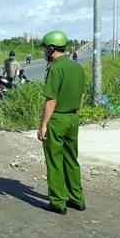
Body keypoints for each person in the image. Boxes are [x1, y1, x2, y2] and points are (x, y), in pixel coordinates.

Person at [37, 31, 86, 215]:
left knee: (55, 161)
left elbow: (51, 100)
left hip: (57, 119)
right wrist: (75, 115)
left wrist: (43, 125)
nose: (44, 52)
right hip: (73, 118)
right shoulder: (77, 67)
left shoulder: (55, 68)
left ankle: (58, 202)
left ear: (51, 48)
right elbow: (81, 95)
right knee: (72, 160)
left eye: (45, 48)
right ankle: (77, 199)